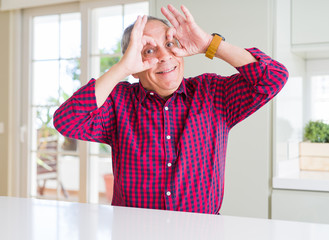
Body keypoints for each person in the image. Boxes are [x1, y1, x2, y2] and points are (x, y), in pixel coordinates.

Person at [53, 4, 288, 214]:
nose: (165, 56)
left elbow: (274, 77)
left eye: (169, 44)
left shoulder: (213, 93)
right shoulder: (119, 102)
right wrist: (122, 67)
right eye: (148, 50)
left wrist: (209, 44)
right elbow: (66, 120)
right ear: (134, 64)